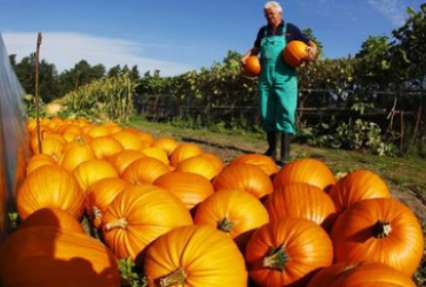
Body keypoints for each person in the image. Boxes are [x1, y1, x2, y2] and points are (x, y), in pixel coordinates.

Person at [241, 1, 317, 165]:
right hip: (265, 77)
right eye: (266, 14)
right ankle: (271, 149)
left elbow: (310, 45)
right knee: (266, 112)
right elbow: (255, 49)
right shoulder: (263, 31)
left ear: (280, 14)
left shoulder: (291, 29)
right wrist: (246, 57)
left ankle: (284, 154)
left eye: (271, 14)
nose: (269, 17)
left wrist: (312, 52)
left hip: (285, 77)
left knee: (286, 112)